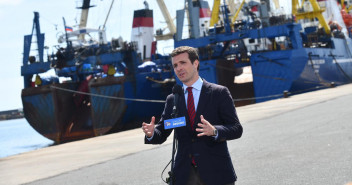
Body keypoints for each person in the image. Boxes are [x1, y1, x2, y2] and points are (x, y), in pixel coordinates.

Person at [142, 46, 243, 185]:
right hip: (184, 176)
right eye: (175, 65)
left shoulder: (219, 93)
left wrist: (214, 131)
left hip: (216, 172)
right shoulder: (173, 99)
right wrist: (152, 133)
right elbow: (163, 131)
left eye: (183, 63)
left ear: (195, 63)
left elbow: (236, 128)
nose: (178, 68)